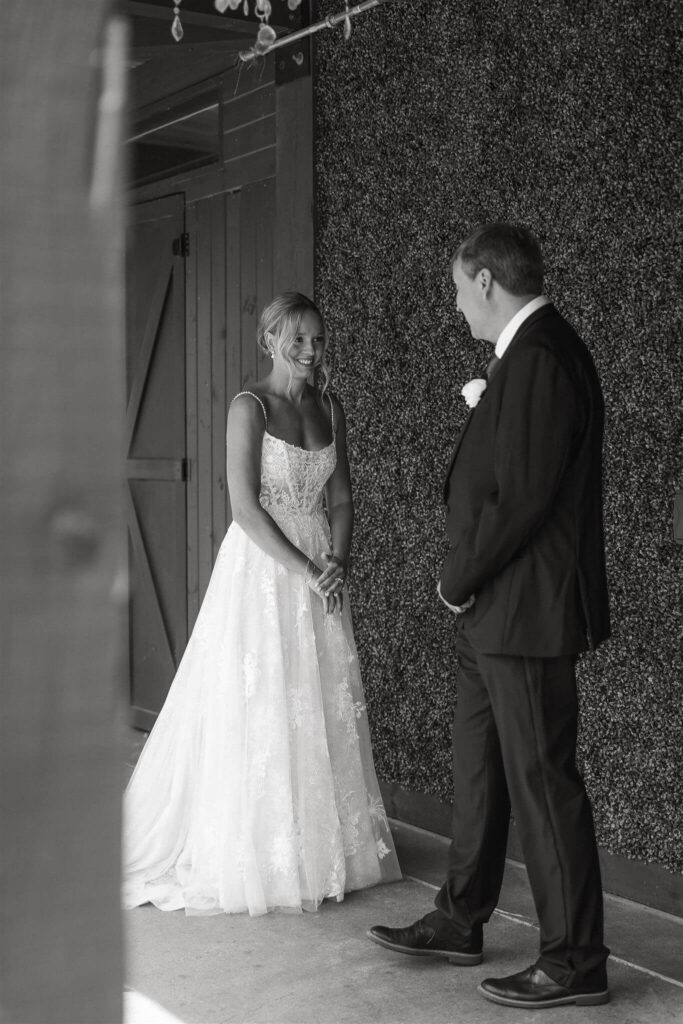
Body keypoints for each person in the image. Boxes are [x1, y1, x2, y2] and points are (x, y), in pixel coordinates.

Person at [368, 224, 611, 1009]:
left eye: (455, 288)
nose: (455, 305)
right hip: (495, 613)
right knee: (478, 770)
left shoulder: (540, 355)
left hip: (524, 611)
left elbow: (521, 500)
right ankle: (460, 915)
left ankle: (575, 962)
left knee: (542, 784)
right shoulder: (529, 353)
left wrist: (453, 580)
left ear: (482, 281)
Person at [123, 291, 401, 916]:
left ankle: (322, 845)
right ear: (269, 340)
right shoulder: (249, 407)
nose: (309, 351)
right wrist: (307, 570)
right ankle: (260, 849)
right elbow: (245, 509)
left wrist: (340, 562)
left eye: (318, 340)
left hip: (322, 568)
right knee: (263, 695)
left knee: (317, 695)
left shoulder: (331, 405)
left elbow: (344, 497)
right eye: (296, 339)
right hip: (265, 568)